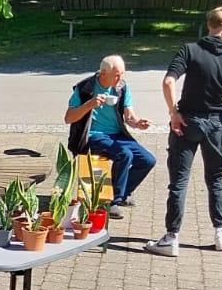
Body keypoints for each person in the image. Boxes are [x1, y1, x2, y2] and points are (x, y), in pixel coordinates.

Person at [146, 7, 222, 257]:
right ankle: (220, 233)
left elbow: (168, 81)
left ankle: (171, 237)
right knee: (215, 180)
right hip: (216, 125)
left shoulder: (189, 50)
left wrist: (174, 113)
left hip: (186, 123)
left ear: (210, 26)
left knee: (178, 182)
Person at [63, 55, 155, 217]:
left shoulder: (122, 87)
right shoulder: (85, 88)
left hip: (117, 135)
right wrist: (90, 104)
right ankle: (113, 201)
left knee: (147, 160)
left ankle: (122, 192)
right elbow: (69, 118)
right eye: (117, 75)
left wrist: (139, 123)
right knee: (124, 154)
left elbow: (129, 117)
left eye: (122, 74)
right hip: (91, 136)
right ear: (104, 73)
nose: (120, 78)